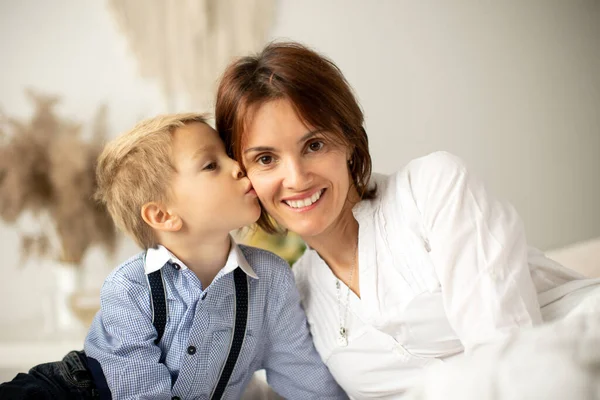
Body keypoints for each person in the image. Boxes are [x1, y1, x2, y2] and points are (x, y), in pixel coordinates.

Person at [215, 41, 600, 398]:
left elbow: (509, 354)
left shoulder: (432, 188)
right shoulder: (293, 296)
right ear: (242, 173)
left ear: (348, 139)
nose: (296, 179)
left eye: (314, 145)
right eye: (266, 159)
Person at [0, 113, 347, 399]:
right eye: (211, 165)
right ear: (164, 216)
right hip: (70, 391)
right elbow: (142, 393)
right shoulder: (129, 287)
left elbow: (306, 378)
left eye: (228, 154)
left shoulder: (271, 278)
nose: (239, 166)